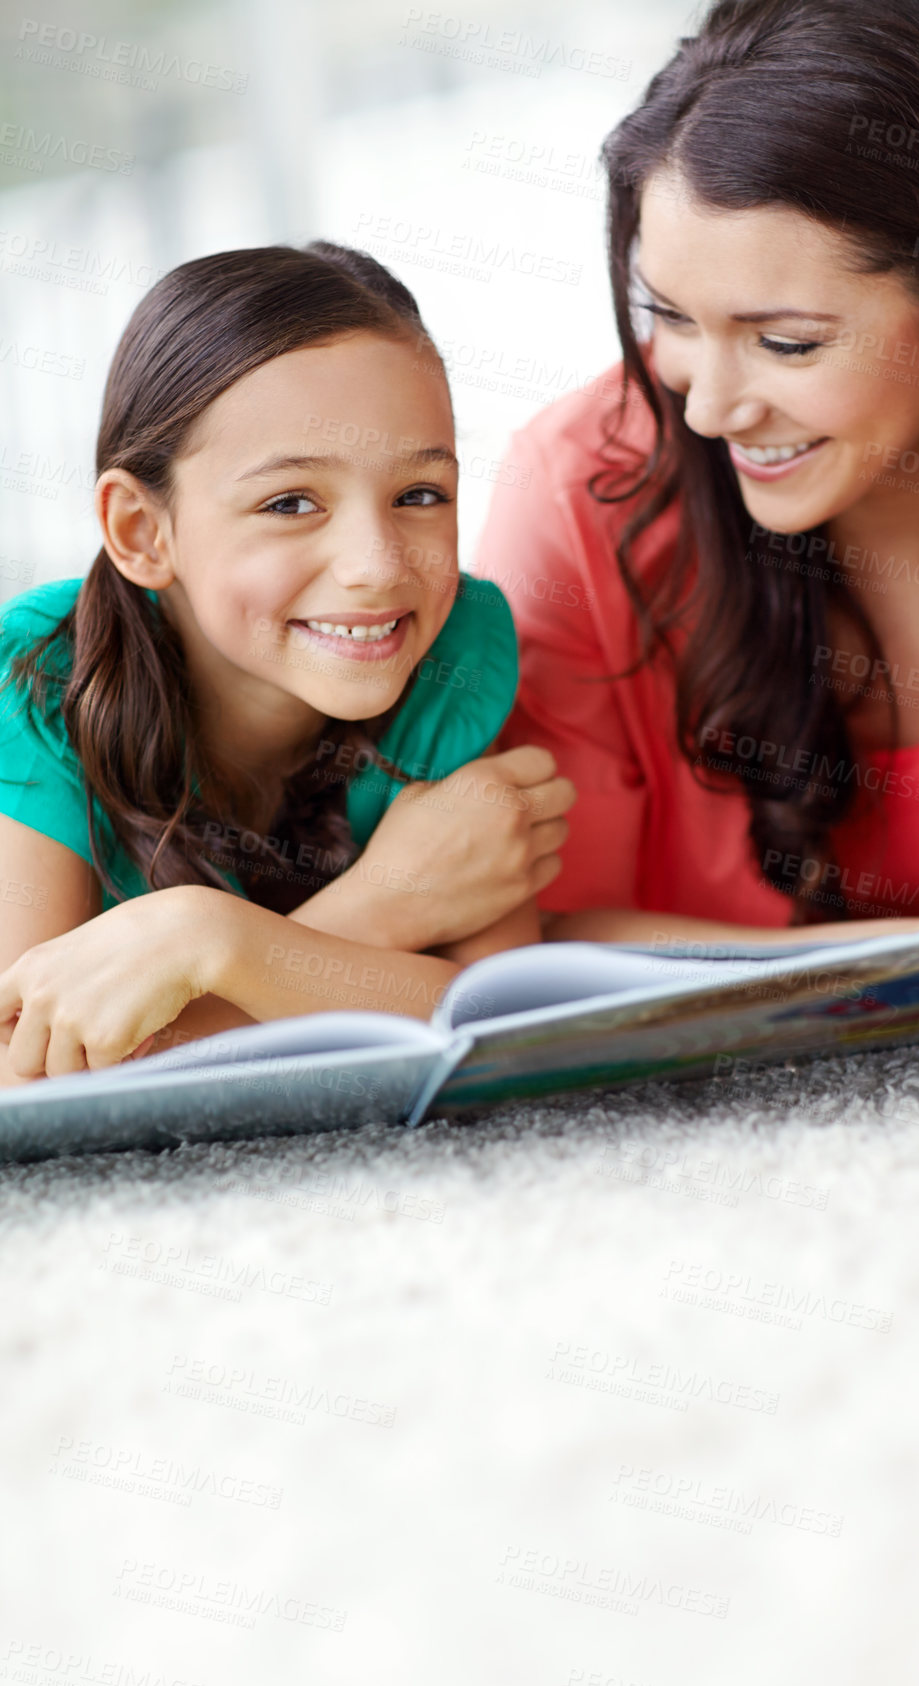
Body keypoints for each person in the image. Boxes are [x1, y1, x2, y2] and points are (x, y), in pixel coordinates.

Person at [475, 0, 919, 1072]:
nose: (707, 408)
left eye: (784, 343)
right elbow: (539, 947)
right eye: (671, 318)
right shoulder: (581, 491)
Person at [0, 243, 574, 1086]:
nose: (378, 565)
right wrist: (375, 906)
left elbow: (494, 1027)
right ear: (140, 532)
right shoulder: (44, 675)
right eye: (290, 503)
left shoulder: (450, 649)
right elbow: (26, 1075)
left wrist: (220, 951)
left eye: (420, 495)